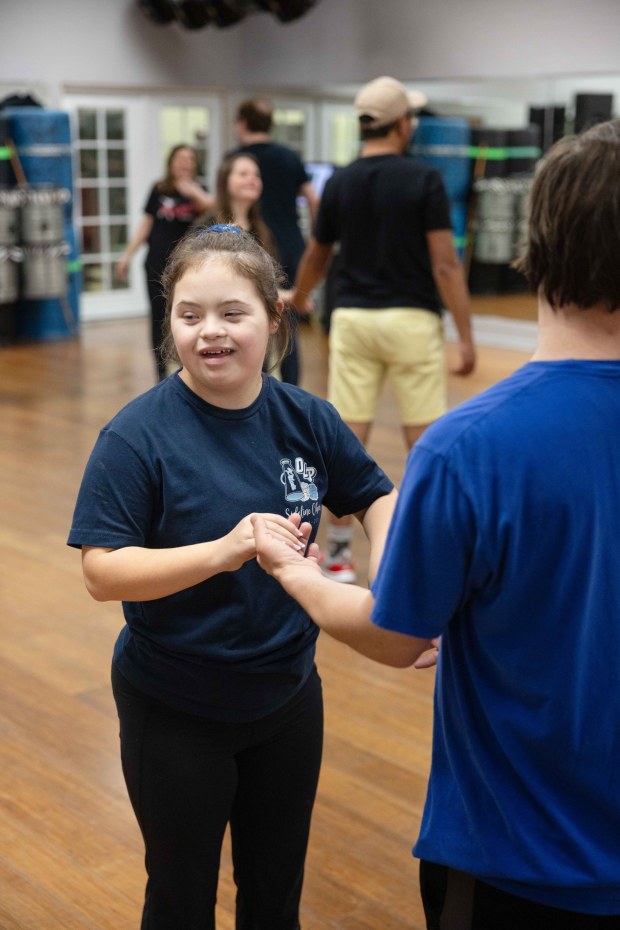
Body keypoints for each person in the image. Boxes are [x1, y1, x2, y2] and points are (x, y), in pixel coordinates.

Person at [252, 120, 620, 929]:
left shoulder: (471, 449)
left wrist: (302, 576)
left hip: (520, 863)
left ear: (538, 241)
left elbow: (397, 635)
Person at [68, 225, 396, 930]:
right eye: (189, 316)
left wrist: (390, 572)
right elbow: (101, 572)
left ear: (274, 318)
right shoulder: (138, 436)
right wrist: (225, 549)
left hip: (286, 699)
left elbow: (375, 495)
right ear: (170, 322)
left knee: (275, 895)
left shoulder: (306, 418)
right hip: (176, 708)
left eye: (231, 313)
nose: (209, 333)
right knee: (182, 900)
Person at [290, 75, 476, 584]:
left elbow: (317, 253)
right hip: (411, 320)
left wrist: (302, 297)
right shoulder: (424, 179)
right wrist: (465, 334)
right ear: (404, 124)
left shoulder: (342, 181)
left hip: (352, 320)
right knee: (425, 441)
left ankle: (340, 555)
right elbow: (444, 264)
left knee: (349, 439)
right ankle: (422, 552)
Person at [234, 97, 319, 385]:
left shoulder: (236, 160)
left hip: (251, 248)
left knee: (250, 322)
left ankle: (254, 391)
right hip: (290, 247)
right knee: (288, 328)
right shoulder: (288, 156)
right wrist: (314, 239)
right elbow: (312, 198)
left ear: (242, 124)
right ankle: (291, 394)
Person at [115, 144, 214, 380]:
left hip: (186, 267)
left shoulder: (200, 191)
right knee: (158, 316)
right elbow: (147, 224)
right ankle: (160, 373)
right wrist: (128, 254)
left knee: (186, 315)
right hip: (155, 262)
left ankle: (187, 371)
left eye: (190, 159)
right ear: (171, 162)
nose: (185, 163)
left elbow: (211, 207)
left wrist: (191, 191)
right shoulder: (158, 189)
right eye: (180, 158)